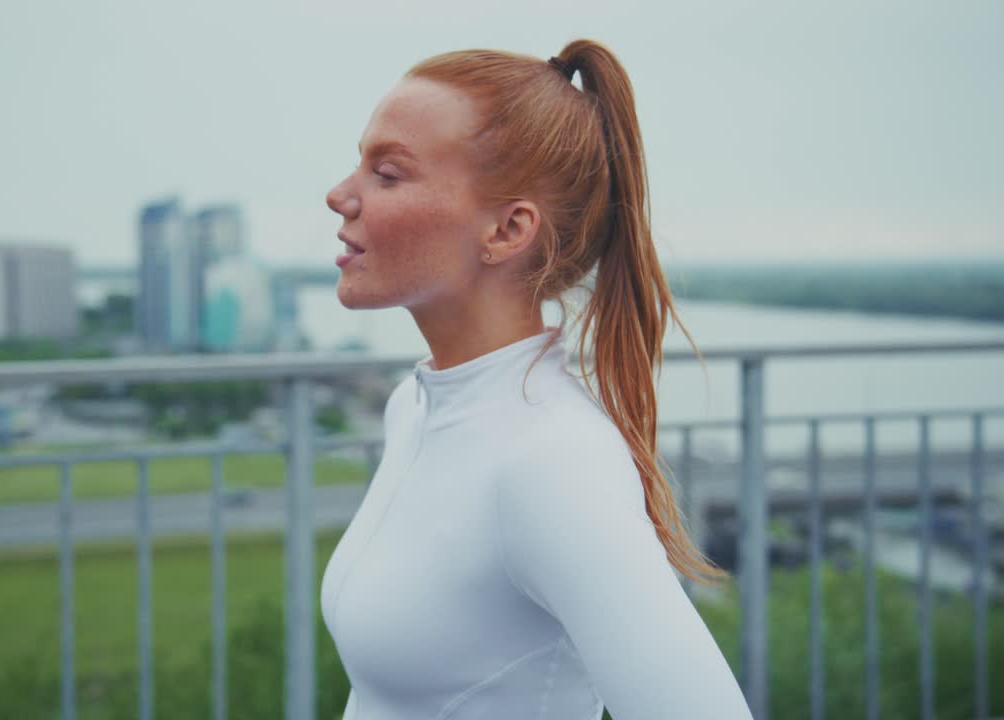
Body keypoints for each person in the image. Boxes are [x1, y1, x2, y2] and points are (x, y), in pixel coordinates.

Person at [320, 39, 755, 719]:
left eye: (388, 173)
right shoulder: (414, 407)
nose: (339, 195)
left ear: (508, 229)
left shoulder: (553, 462)